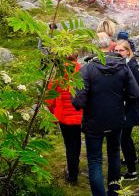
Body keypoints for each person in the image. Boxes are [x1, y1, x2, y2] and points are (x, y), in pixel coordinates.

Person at [72, 35, 139, 196]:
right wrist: (119, 97)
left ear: (93, 48)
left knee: (95, 160)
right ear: (110, 47)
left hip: (94, 121)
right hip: (116, 119)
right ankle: (114, 191)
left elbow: (77, 102)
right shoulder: (122, 67)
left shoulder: (87, 69)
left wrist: (89, 101)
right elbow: (135, 93)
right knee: (114, 154)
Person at [114, 40, 139, 181]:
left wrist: (133, 94)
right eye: (116, 51)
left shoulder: (132, 65)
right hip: (125, 107)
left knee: (124, 137)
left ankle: (132, 172)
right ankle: (132, 159)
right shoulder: (122, 63)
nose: (118, 53)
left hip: (131, 108)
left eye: (121, 51)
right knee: (126, 136)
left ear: (128, 51)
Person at [46, 53, 83, 185]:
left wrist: (52, 111)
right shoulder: (82, 70)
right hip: (79, 114)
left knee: (69, 144)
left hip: (64, 115)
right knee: (77, 142)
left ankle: (72, 174)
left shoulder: (59, 73)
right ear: (76, 56)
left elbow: (50, 96)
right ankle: (75, 167)